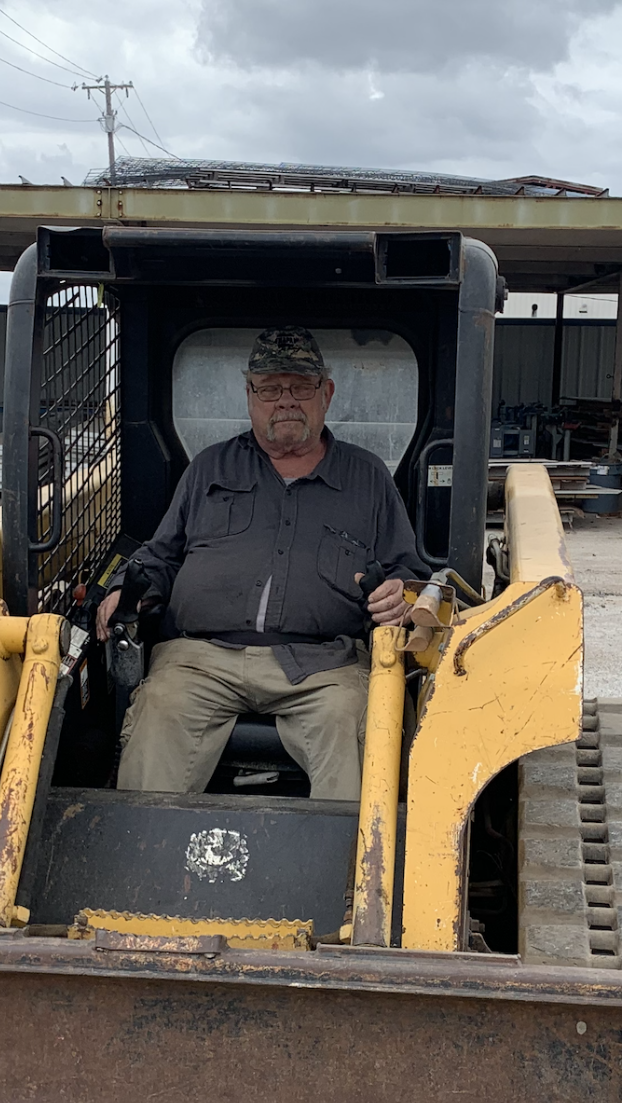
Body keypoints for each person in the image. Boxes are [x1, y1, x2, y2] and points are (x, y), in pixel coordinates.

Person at [96, 325, 419, 802]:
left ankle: (348, 873)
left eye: (300, 386)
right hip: (201, 660)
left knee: (354, 722)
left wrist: (401, 595)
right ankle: (146, 864)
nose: (285, 400)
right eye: (269, 388)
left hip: (324, 667)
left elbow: (407, 572)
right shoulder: (208, 468)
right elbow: (160, 555)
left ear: (325, 393)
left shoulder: (367, 477)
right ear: (249, 395)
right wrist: (125, 588)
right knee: (159, 708)